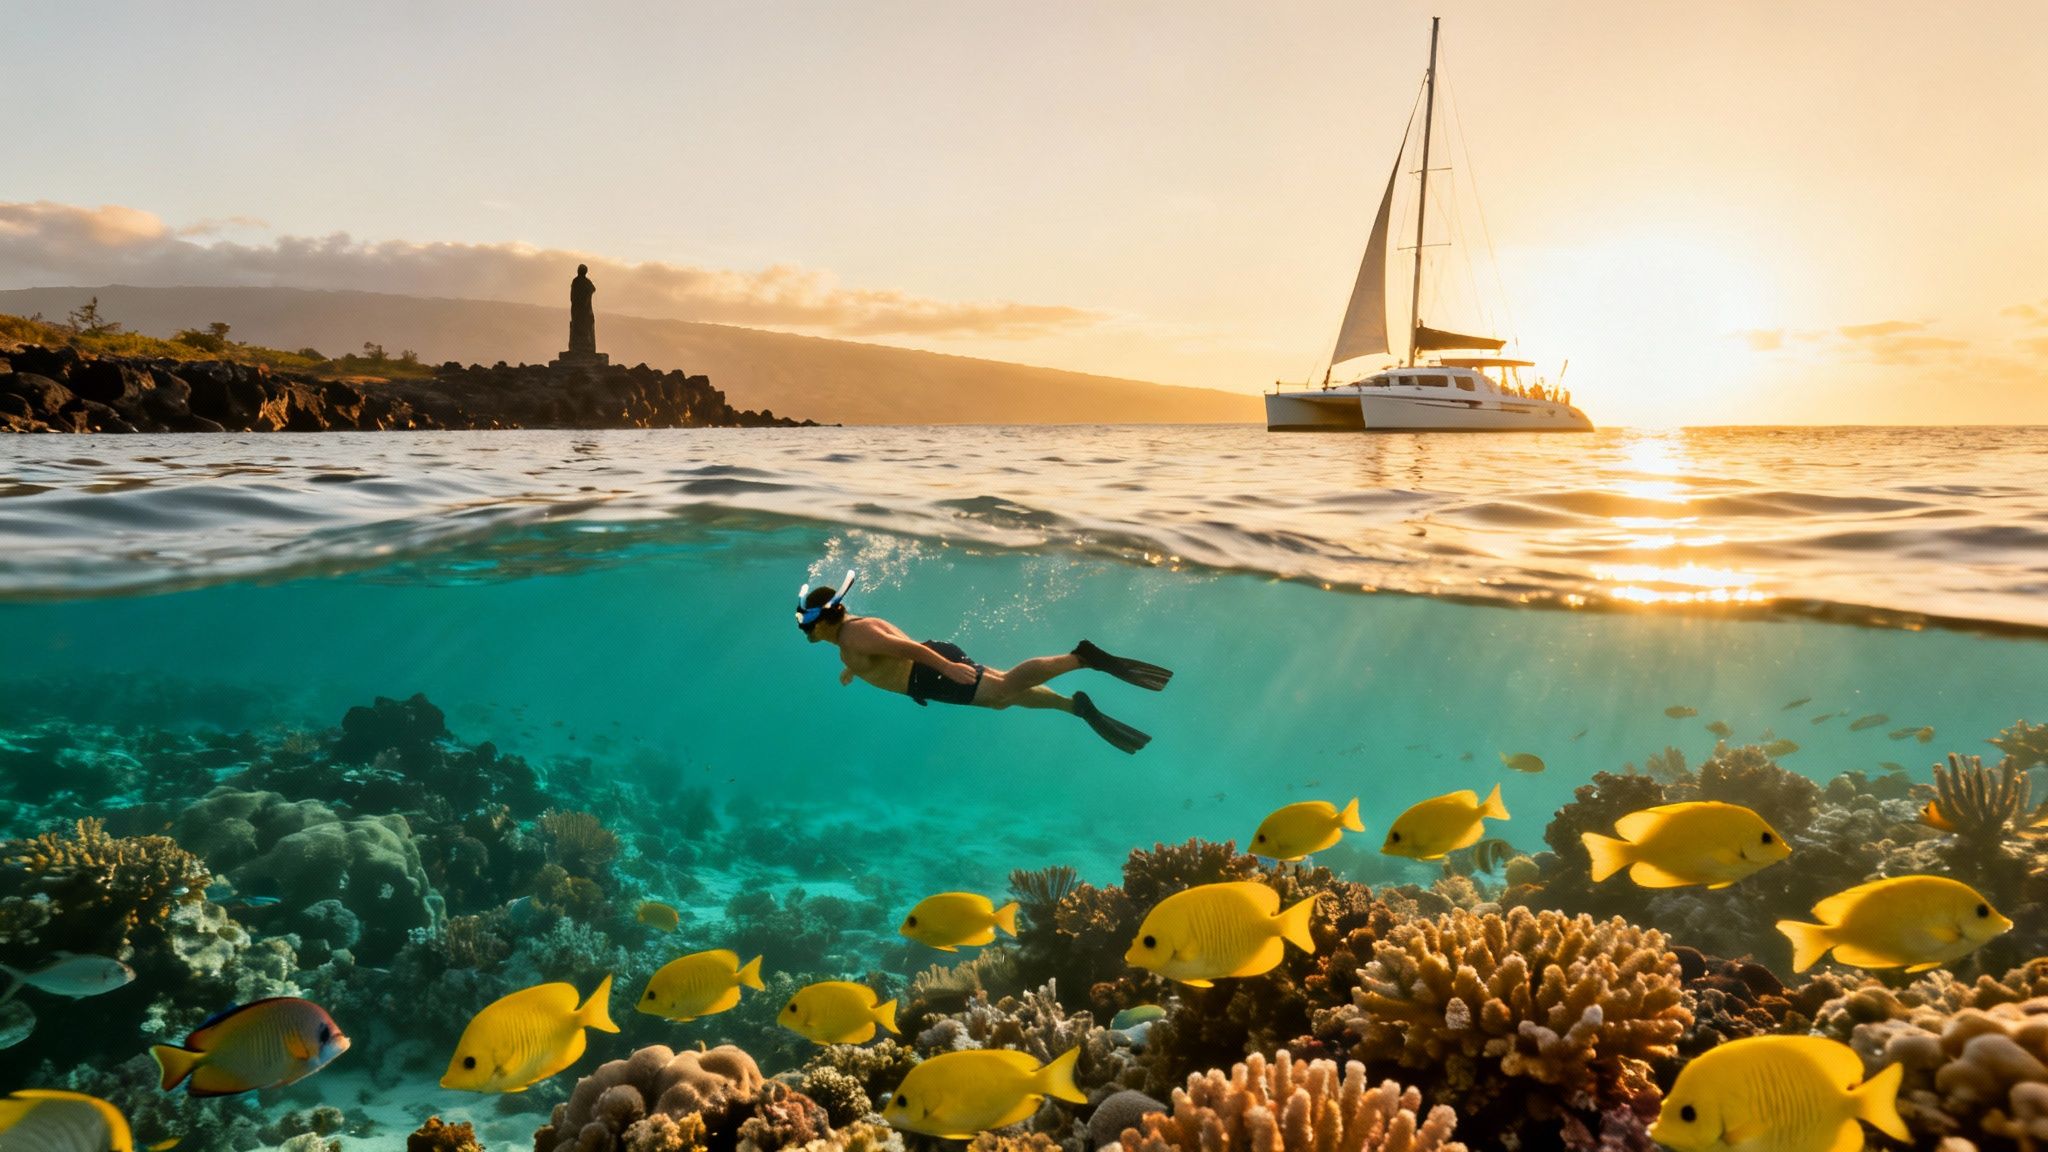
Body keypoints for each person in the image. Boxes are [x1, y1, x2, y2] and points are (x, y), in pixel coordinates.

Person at [795, 571, 1171, 754]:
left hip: (929, 672)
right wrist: (852, 669)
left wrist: (946, 668)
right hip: (929, 670)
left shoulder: (854, 637)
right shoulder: (853, 634)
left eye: (809, 627)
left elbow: (905, 649)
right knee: (1002, 695)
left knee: (1002, 691)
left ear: (824, 620)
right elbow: (884, 653)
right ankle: (1074, 706)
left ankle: (1081, 658)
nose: (808, 634)